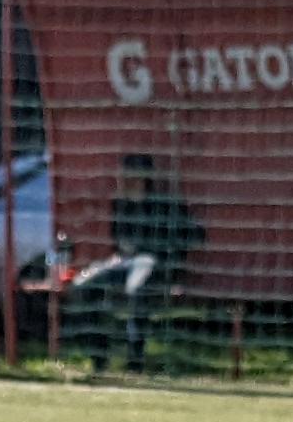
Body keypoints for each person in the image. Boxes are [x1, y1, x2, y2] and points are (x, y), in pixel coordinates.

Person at [66, 152, 202, 375]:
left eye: (130, 174)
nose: (125, 179)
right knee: (81, 285)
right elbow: (117, 240)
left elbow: (193, 235)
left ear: (143, 176)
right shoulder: (120, 203)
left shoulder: (164, 203)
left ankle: (134, 361)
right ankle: (99, 357)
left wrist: (165, 257)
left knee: (136, 289)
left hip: (150, 261)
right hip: (123, 261)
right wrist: (122, 252)